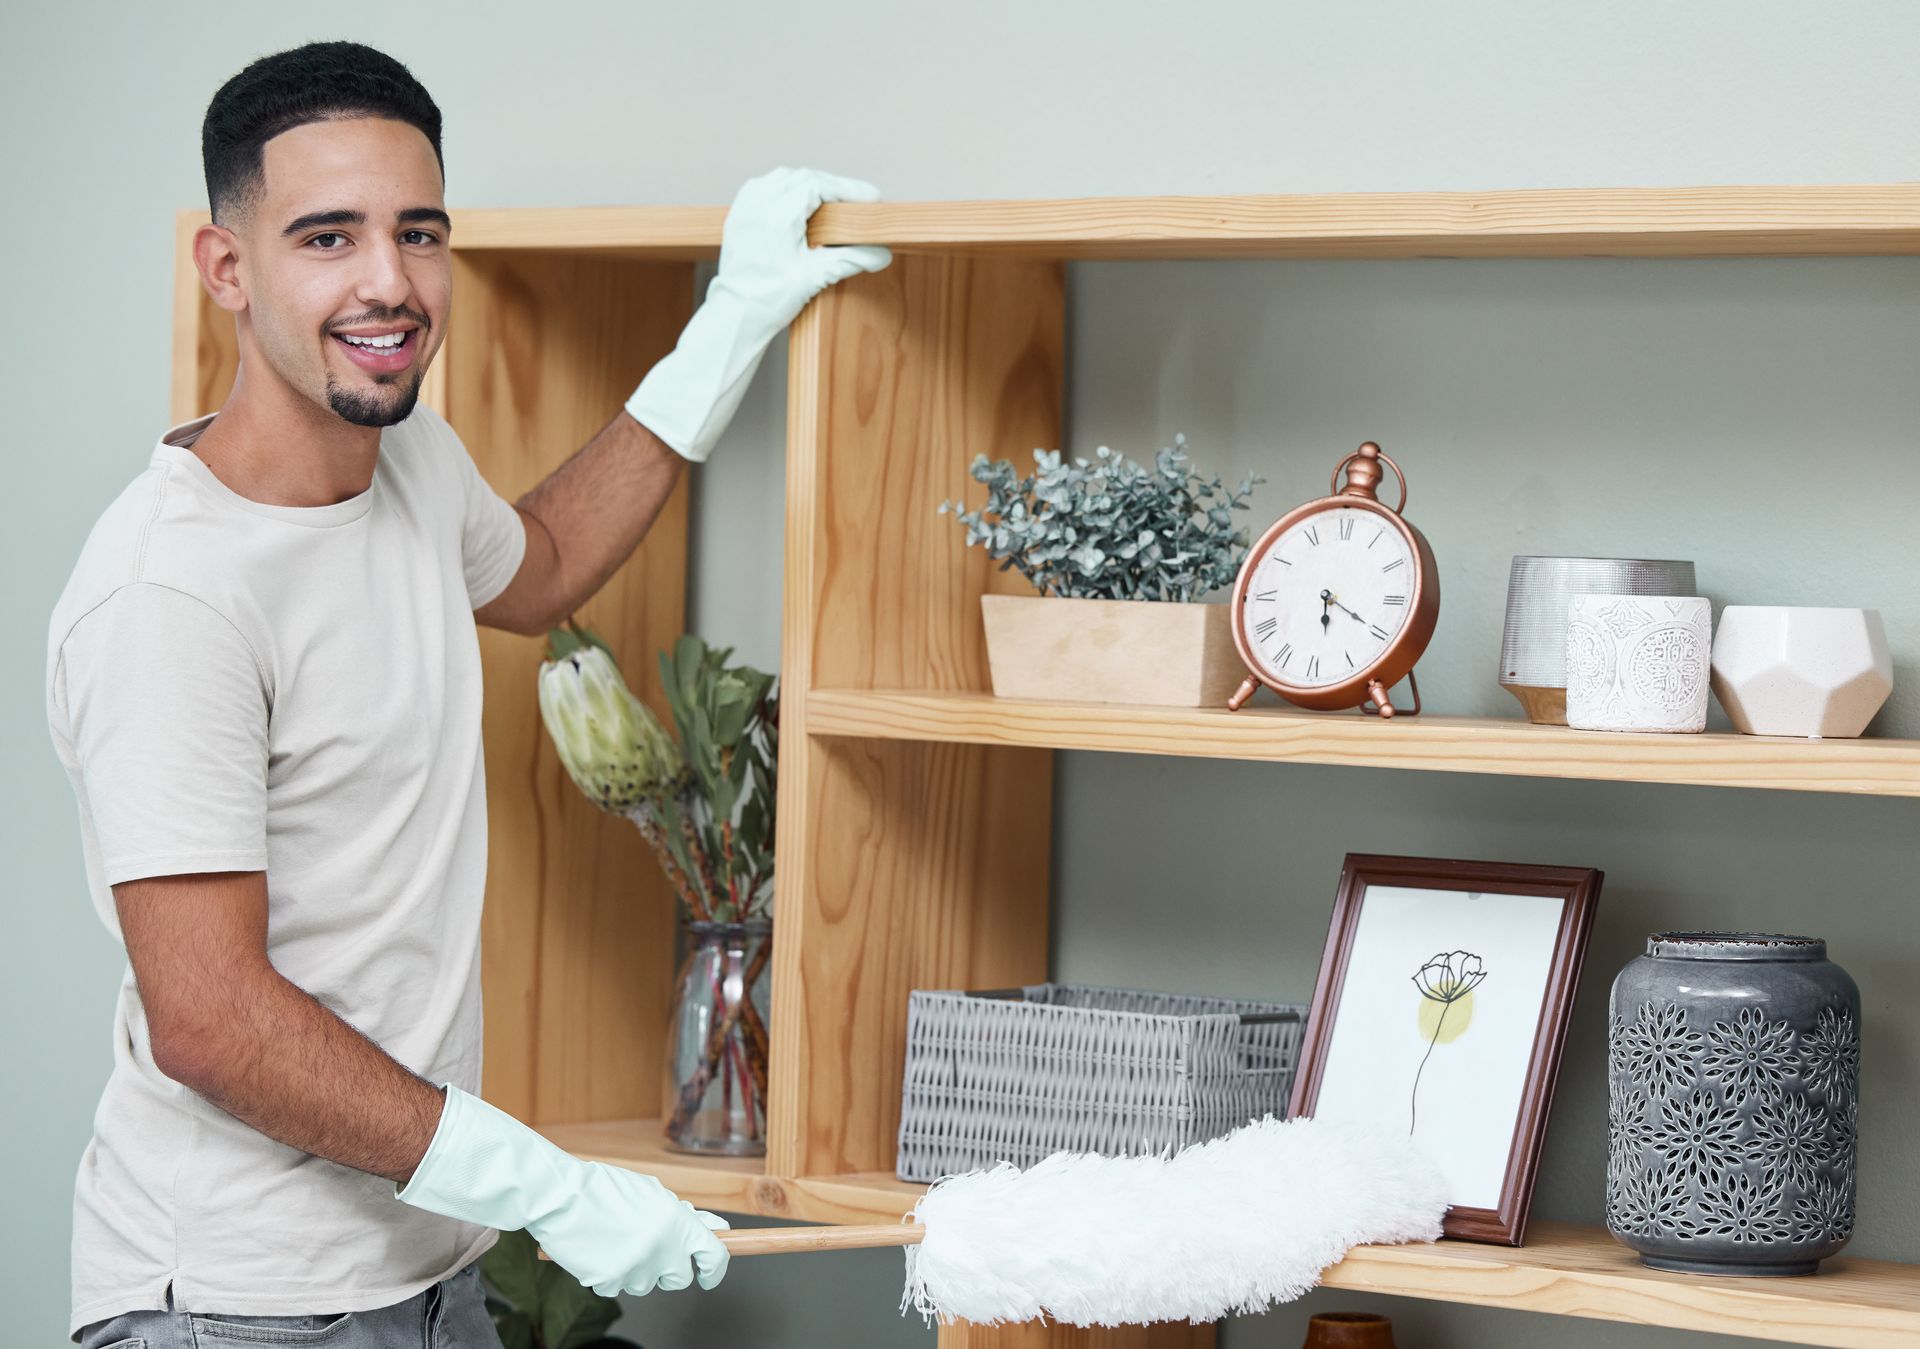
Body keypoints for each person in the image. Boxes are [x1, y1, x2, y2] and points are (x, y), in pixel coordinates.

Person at [45, 39, 891, 1349]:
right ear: (227, 269)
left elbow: (539, 567)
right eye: (327, 237)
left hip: (423, 1279)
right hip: (239, 1308)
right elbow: (209, 1021)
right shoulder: (172, 597)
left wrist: (728, 326)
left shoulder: (408, 459)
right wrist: (540, 1183)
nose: (389, 283)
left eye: (418, 233)